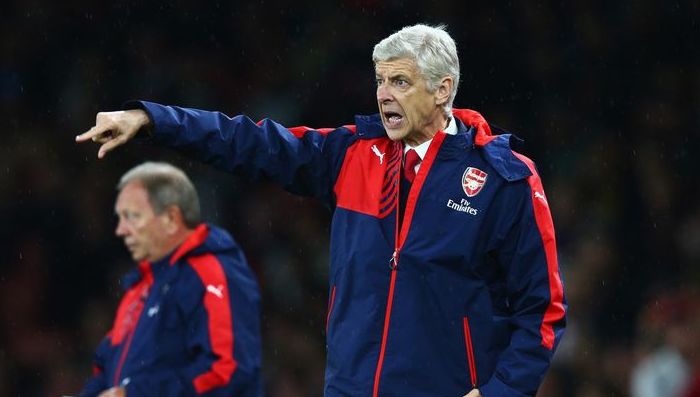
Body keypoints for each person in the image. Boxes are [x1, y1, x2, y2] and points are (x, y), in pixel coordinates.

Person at [77, 24, 567, 397]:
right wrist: (152, 121)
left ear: (443, 91)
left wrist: (500, 392)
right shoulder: (352, 155)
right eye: (380, 80)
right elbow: (248, 141)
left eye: (400, 81)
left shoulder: (505, 181)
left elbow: (541, 311)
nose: (384, 95)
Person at [79, 162, 263, 397]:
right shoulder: (141, 288)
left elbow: (229, 373)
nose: (120, 230)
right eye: (120, 217)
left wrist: (136, 394)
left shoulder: (211, 272)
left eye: (132, 217)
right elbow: (108, 370)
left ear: (171, 218)